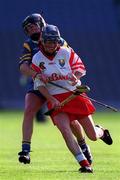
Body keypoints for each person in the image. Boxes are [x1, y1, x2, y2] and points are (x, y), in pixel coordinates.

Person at [31, 24, 113, 173]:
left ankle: (101, 131)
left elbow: (81, 69)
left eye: (54, 41)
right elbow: (39, 85)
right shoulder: (37, 59)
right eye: (48, 41)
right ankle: (85, 164)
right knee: (65, 130)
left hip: (74, 95)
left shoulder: (66, 52)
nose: (51, 45)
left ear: (58, 41)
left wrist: (75, 77)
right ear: (42, 41)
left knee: (92, 136)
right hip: (55, 100)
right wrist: (51, 99)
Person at [18, 13, 93, 165]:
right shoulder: (28, 44)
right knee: (29, 108)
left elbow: (72, 64)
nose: (31, 30)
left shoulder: (59, 41)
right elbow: (23, 67)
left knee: (72, 122)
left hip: (61, 88)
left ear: (41, 24)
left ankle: (83, 145)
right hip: (41, 85)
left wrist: (74, 77)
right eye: (28, 29)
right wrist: (37, 74)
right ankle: (25, 149)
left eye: (33, 26)